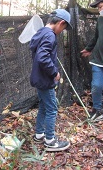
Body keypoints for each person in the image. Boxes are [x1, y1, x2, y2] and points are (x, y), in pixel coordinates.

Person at [30, 9, 73, 151]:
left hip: (39, 78)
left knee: (44, 105)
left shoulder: (41, 32)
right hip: (45, 79)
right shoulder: (50, 36)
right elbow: (42, 57)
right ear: (61, 23)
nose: (62, 30)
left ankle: (39, 134)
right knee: (52, 108)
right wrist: (54, 72)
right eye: (64, 27)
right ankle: (50, 140)